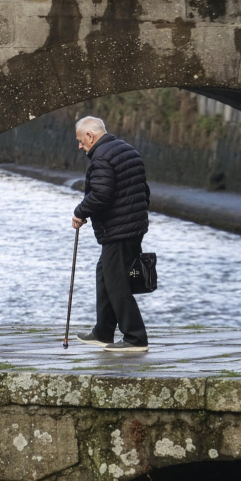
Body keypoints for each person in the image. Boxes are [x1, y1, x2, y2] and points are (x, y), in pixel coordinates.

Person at [71, 116, 150, 352]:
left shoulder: (102, 157)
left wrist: (80, 212)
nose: (80, 146)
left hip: (119, 229)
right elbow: (144, 191)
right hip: (132, 226)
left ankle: (135, 338)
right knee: (105, 275)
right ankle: (103, 332)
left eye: (80, 140)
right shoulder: (127, 150)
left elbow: (101, 194)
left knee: (116, 283)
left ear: (90, 136)